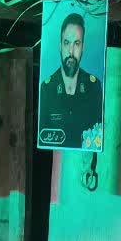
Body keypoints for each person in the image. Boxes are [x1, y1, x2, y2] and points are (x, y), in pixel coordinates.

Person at [39, 12, 103, 147]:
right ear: (60, 46)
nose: (71, 52)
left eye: (77, 44)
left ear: (83, 48)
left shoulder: (94, 87)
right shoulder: (47, 89)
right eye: (67, 43)